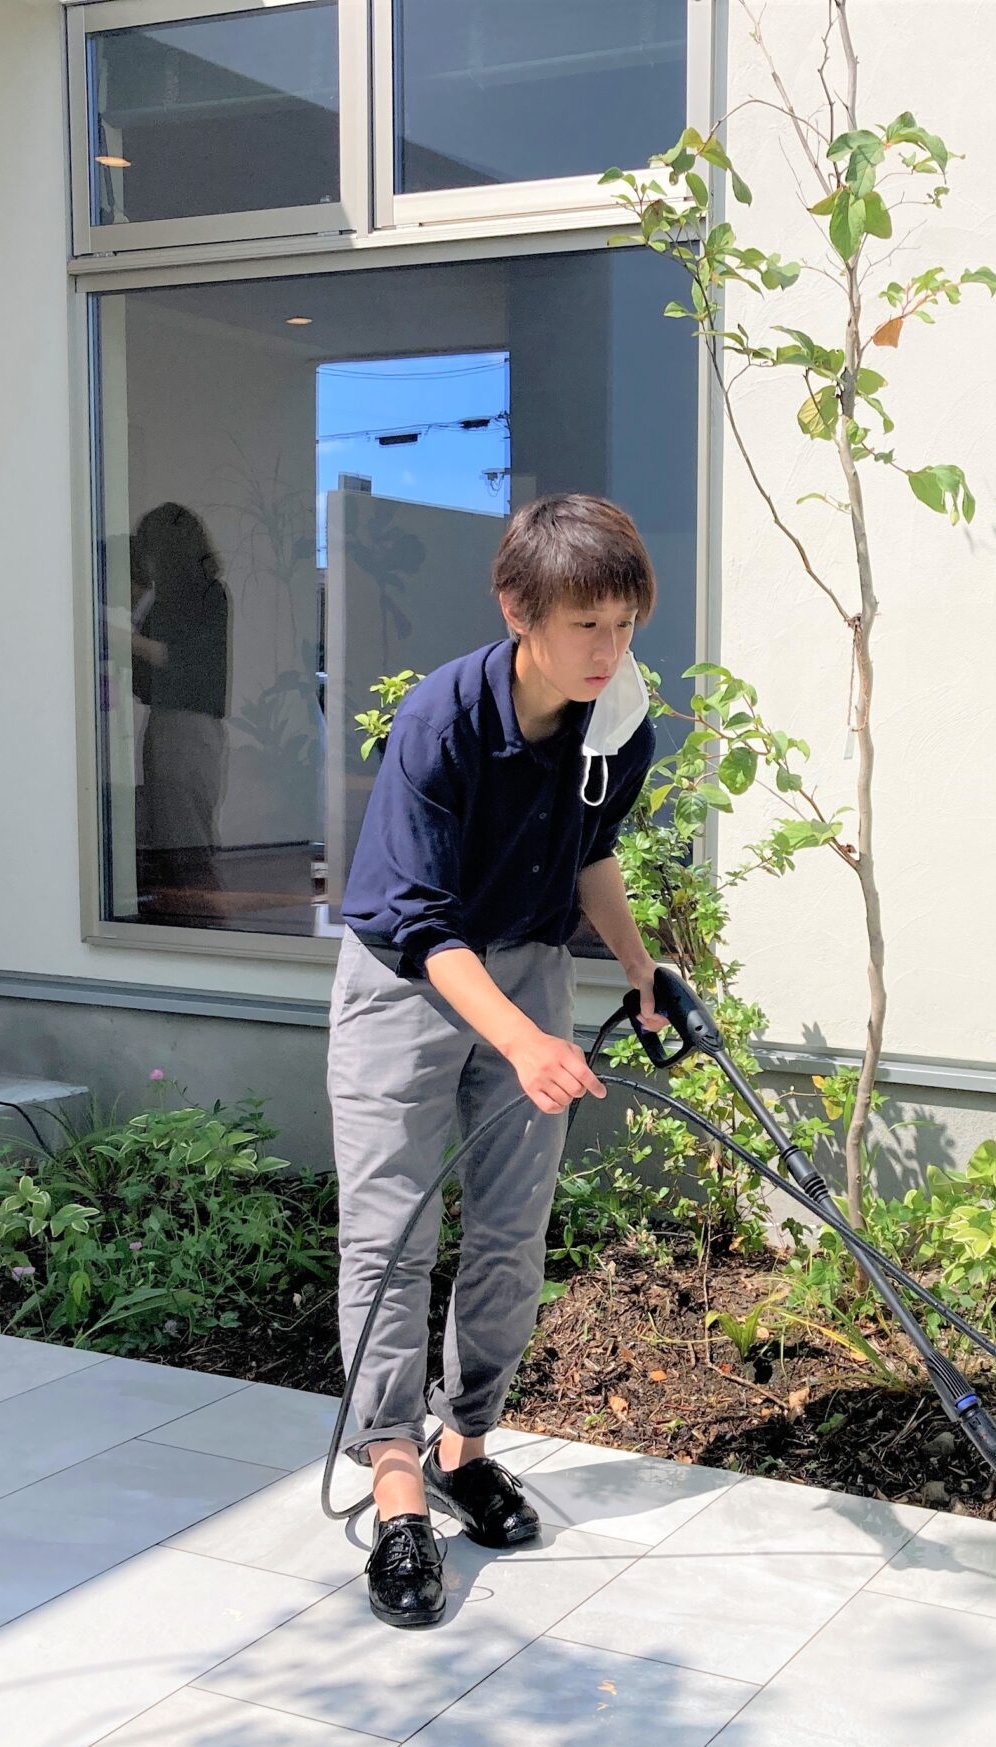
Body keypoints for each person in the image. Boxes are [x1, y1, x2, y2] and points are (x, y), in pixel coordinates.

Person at [330, 492, 661, 1629]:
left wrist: (637, 967)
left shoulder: (615, 722)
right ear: (519, 610)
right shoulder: (441, 721)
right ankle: (397, 1491)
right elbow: (421, 929)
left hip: (526, 972)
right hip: (404, 985)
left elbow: (592, 856)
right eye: (585, 626)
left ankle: (466, 1446)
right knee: (391, 1235)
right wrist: (523, 1043)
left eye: (623, 624)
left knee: (513, 1229)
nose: (607, 651)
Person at [128, 502, 232, 880]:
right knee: (176, 837)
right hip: (173, 724)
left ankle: (200, 920)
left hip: (185, 728)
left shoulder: (204, 596)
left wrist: (128, 640)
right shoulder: (198, 597)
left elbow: (179, 659)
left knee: (185, 841)